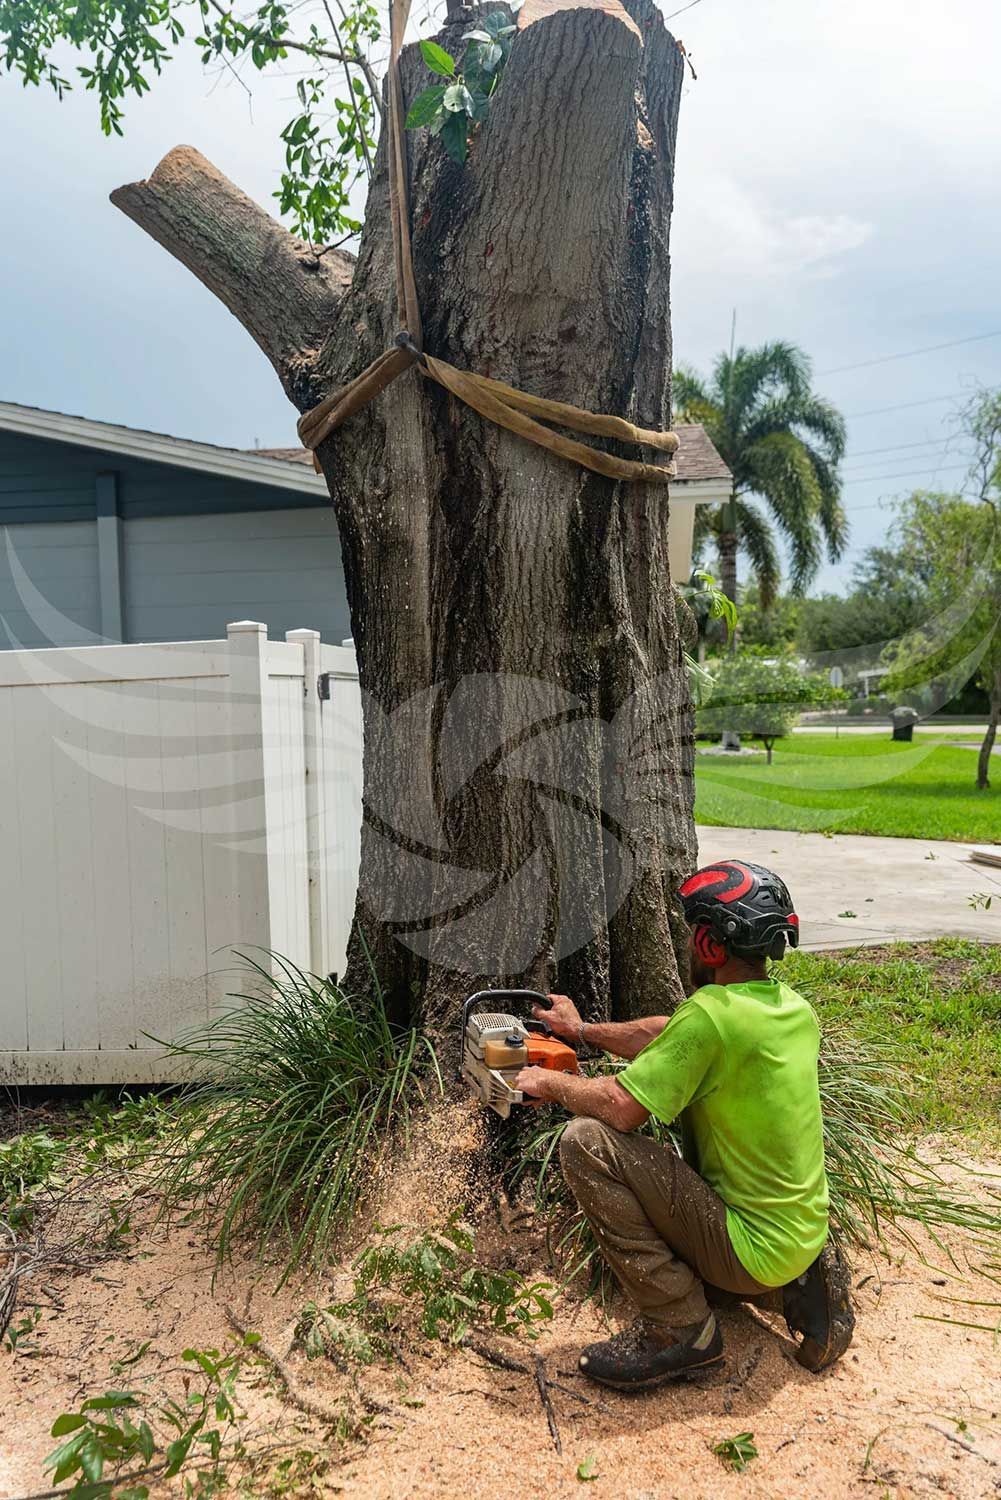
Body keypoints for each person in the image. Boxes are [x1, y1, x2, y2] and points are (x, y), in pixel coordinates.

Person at [514, 859, 854, 1391]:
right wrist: (580, 1031)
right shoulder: (789, 1010)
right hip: (802, 1235)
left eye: (693, 933)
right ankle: (800, 1285)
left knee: (585, 1143)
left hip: (746, 1250)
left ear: (712, 946)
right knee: (738, 1244)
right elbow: (665, 1035)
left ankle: (681, 1328)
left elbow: (622, 1106)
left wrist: (545, 1081)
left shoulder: (711, 1018)